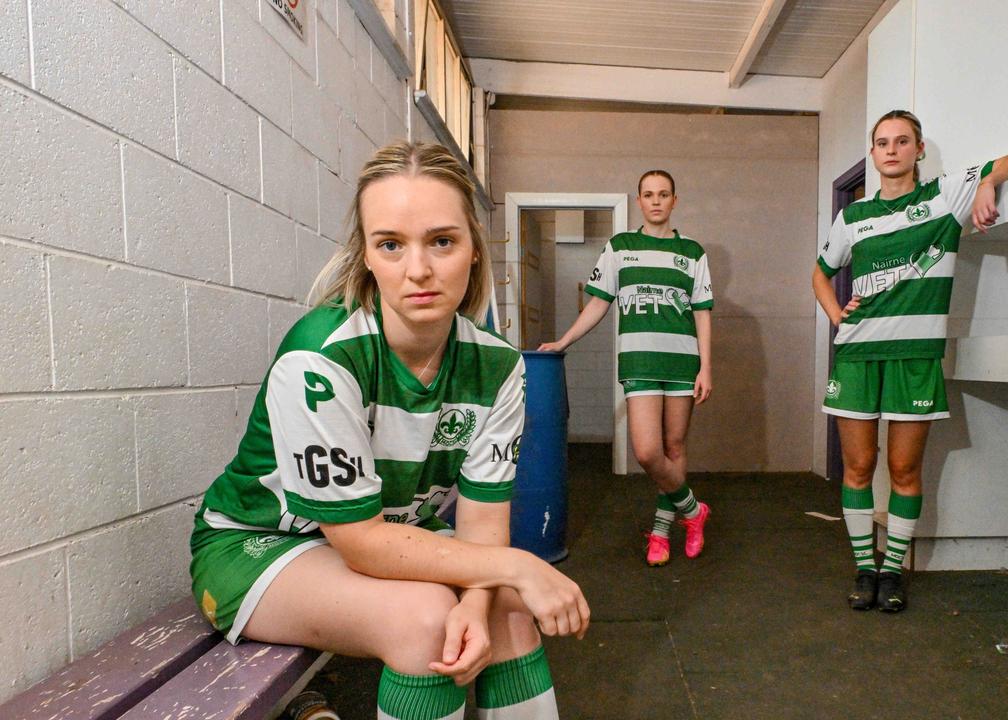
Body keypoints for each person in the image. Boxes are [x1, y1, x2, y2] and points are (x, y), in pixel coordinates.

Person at [189, 142, 589, 720]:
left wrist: (481, 602)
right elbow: (360, 541)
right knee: (424, 621)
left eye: (442, 241)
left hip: (386, 537)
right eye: (391, 245)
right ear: (367, 257)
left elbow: (481, 529)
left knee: (509, 609)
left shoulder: (499, 366)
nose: (419, 269)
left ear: (474, 249)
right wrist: (520, 566)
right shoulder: (322, 357)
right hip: (261, 544)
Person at [813, 110, 1008, 612]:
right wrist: (837, 316)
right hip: (856, 355)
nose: (890, 150)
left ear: (918, 151)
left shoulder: (943, 196)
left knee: (903, 467)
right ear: (872, 155)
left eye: (901, 141)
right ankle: (864, 567)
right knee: (858, 465)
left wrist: (987, 184)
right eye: (881, 143)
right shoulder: (852, 217)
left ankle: (892, 571)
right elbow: (820, 273)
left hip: (915, 356)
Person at [538, 170, 713, 567]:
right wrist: (565, 340)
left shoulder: (693, 252)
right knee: (648, 451)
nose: (656, 201)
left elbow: (702, 313)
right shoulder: (621, 247)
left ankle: (662, 532)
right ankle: (693, 511)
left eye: (663, 194)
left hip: (683, 362)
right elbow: (599, 301)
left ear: (674, 200)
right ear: (639, 201)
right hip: (640, 361)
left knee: (674, 447)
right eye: (648, 194)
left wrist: (707, 368)